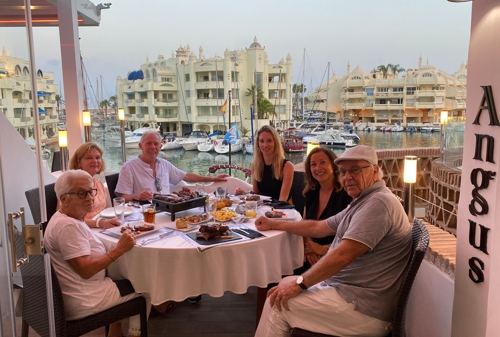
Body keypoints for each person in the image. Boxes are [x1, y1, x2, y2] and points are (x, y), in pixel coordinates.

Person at [254, 145, 412, 337]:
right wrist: (274, 223)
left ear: (375, 170)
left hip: (362, 309)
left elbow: (343, 256)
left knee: (276, 304)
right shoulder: (362, 201)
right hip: (346, 293)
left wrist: (300, 284)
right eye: (343, 171)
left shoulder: (379, 203)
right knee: (282, 286)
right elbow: (318, 227)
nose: (347, 177)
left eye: (355, 169)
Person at [44, 170, 147, 337]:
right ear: (63, 199)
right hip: (85, 298)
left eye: (91, 191)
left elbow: (82, 221)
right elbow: (86, 270)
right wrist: (120, 248)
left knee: (124, 275)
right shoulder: (68, 227)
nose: (90, 197)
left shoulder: (64, 216)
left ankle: (116, 332)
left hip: (76, 292)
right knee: (145, 285)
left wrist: (100, 222)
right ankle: (134, 333)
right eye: (82, 193)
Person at [116, 130, 228, 202]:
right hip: (143, 212)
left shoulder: (164, 164)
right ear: (140, 146)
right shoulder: (129, 167)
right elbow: (123, 198)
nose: (153, 147)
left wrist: (213, 179)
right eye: (148, 143)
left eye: (156, 144)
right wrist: (137, 196)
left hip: (167, 210)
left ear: (160, 146)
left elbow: (187, 176)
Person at [294, 147, 352, 274]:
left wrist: (322, 249)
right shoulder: (311, 192)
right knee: (282, 268)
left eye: (323, 162)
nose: (318, 168)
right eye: (313, 164)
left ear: (333, 164)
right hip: (311, 252)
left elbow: (350, 238)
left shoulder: (346, 195)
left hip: (336, 257)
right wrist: (310, 246)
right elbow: (305, 223)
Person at [68, 142, 120, 229]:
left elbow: (107, 211)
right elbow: (68, 219)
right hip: (82, 230)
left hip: (100, 228)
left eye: (97, 157)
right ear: (79, 162)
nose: (95, 161)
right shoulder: (71, 186)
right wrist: (100, 223)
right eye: (89, 158)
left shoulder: (99, 184)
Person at [251, 125, 294, 201]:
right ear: (258, 144)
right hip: (261, 208)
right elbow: (255, 193)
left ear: (275, 142)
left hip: (281, 209)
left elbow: (282, 199)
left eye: (269, 141)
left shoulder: (287, 166)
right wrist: (243, 194)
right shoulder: (255, 165)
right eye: (261, 141)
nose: (265, 145)